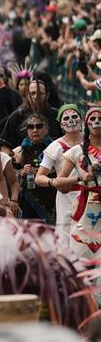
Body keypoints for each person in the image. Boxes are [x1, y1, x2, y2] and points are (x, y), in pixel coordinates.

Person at [56, 105, 101, 261]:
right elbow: (58, 182)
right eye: (93, 119)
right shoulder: (77, 151)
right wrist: (80, 178)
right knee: (82, 254)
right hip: (86, 207)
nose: (97, 122)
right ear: (86, 124)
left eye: (100, 119)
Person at [36, 104, 82, 244]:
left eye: (75, 117)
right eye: (66, 118)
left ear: (81, 120)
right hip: (66, 197)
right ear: (61, 124)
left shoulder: (92, 142)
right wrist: (53, 181)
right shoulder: (55, 147)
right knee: (65, 238)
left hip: (91, 194)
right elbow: (39, 177)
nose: (71, 120)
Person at [12, 112, 56, 224]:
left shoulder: (56, 149)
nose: (35, 130)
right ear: (27, 130)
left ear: (46, 129)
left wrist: (49, 170)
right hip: (28, 200)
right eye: (31, 127)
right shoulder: (19, 152)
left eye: (39, 126)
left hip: (52, 198)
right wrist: (21, 172)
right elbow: (10, 177)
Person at [0, 79, 60, 152]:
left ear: (47, 95)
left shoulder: (56, 115)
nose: (36, 97)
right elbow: (5, 145)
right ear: (27, 95)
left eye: (40, 93)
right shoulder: (17, 116)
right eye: (33, 93)